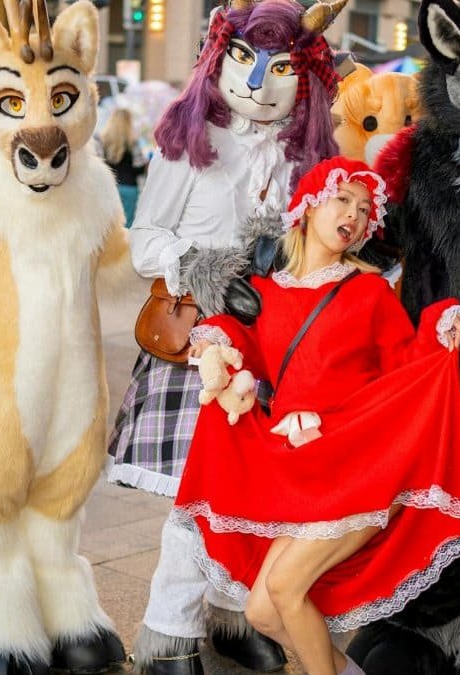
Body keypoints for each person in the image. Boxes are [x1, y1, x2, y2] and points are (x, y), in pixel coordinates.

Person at [175, 157, 460, 675]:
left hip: (360, 467)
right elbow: (243, 346)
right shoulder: (268, 292)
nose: (356, 215)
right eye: (343, 199)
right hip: (301, 472)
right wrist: (217, 344)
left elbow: (409, 364)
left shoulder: (368, 291)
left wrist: (442, 318)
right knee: (260, 609)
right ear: (307, 206)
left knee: (284, 589)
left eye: (365, 209)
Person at [116, 2, 345, 671]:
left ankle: (229, 615)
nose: (258, 84)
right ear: (219, 61)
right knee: (201, 494)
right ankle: (165, 632)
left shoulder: (306, 156)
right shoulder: (192, 140)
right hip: (197, 346)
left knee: (251, 493)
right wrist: (203, 269)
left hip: (272, 349)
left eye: (280, 69)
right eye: (244, 62)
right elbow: (144, 241)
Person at [98, 107, 148, 226]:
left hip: (109, 188)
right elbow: (139, 168)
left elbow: (99, 166)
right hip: (129, 188)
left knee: (108, 226)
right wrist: (146, 165)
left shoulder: (103, 141)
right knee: (126, 227)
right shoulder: (133, 143)